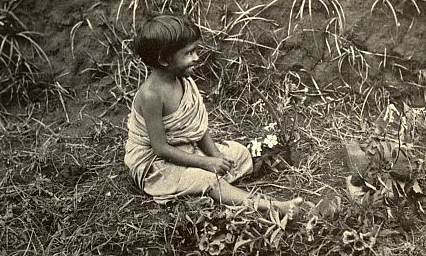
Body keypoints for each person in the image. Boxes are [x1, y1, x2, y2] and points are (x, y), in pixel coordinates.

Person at [124, 14, 303, 218]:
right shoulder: (151, 95)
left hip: (184, 150)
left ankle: (207, 191)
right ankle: (273, 206)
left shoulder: (183, 81)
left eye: (195, 51)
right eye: (188, 53)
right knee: (207, 179)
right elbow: (161, 148)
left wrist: (215, 155)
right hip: (156, 165)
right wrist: (206, 163)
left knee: (240, 154)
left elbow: (197, 129)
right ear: (164, 59)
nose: (196, 58)